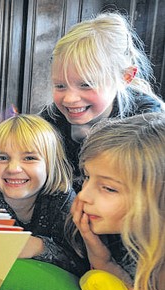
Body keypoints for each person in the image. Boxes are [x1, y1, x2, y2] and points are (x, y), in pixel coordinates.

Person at [70, 113, 165, 290]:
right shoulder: (141, 245)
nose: (83, 196)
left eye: (109, 188)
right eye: (87, 178)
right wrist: (97, 250)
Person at [40, 12, 164, 190]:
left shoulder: (150, 122)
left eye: (86, 85)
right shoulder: (50, 120)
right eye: (60, 86)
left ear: (126, 77)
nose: (69, 99)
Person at [0, 114, 85, 276]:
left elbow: (82, 264)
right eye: (2, 158)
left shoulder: (63, 201)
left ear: (51, 165)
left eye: (29, 158)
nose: (13, 168)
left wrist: (38, 247)